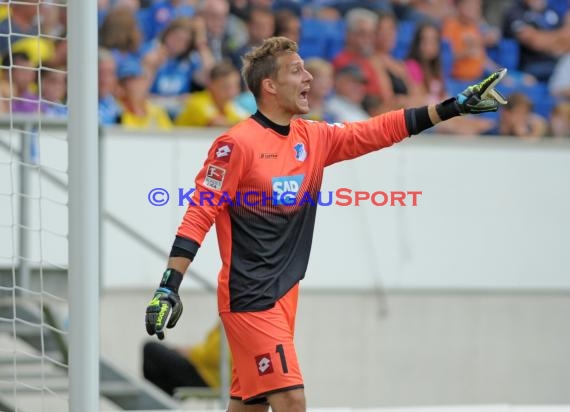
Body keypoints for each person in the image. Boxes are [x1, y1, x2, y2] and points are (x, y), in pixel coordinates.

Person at [144, 36, 506, 411]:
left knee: (249, 406)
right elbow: (199, 212)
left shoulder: (312, 137)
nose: (309, 78)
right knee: (291, 398)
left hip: (284, 295)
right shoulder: (236, 144)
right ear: (269, 85)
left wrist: (452, 107)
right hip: (251, 298)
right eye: (296, 70)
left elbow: (376, 131)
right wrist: (168, 286)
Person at [143, 322, 228, 396]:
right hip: (202, 370)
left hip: (207, 377)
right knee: (158, 360)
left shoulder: (233, 316)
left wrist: (190, 352)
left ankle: (162, 405)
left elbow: (215, 355)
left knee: (151, 350)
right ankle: (164, 404)